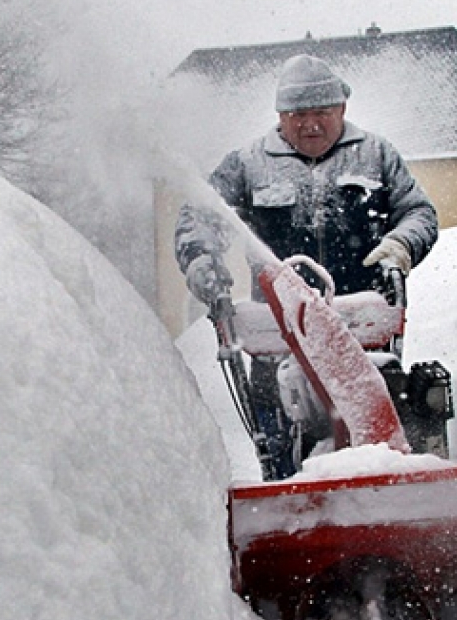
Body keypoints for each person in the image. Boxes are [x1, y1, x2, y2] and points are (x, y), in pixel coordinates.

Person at [174, 54, 438, 478]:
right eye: (298, 114)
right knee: (280, 454)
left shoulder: (375, 156)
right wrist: (203, 263)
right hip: (276, 337)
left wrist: (400, 245)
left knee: (374, 444)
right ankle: (287, 491)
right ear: (280, 115)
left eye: (322, 112)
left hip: (363, 336)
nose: (310, 124)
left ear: (342, 109)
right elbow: (199, 220)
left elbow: (418, 212)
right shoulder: (248, 164)